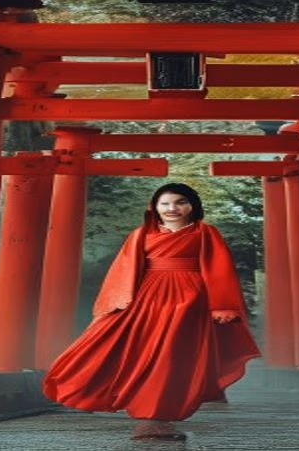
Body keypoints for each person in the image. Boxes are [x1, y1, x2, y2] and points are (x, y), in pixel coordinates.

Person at [42, 182, 261, 440]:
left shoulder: (206, 233)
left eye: (180, 202)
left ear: (193, 205)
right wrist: (117, 302)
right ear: (154, 207)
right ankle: (93, 390)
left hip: (191, 300)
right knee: (119, 346)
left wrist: (222, 305)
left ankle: (156, 418)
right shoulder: (140, 234)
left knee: (172, 357)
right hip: (146, 298)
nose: (172, 208)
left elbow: (219, 269)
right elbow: (123, 269)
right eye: (164, 203)